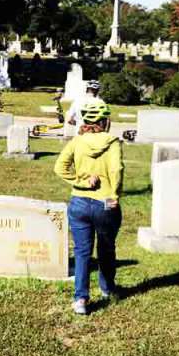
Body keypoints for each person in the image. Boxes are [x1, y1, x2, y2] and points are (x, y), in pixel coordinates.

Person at [54, 100, 124, 315]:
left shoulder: (77, 141)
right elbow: (116, 170)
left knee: (82, 251)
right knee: (106, 248)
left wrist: (81, 181)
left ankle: (80, 299)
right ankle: (107, 288)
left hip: (79, 203)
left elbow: (59, 167)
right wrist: (113, 195)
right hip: (105, 203)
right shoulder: (112, 142)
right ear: (105, 121)